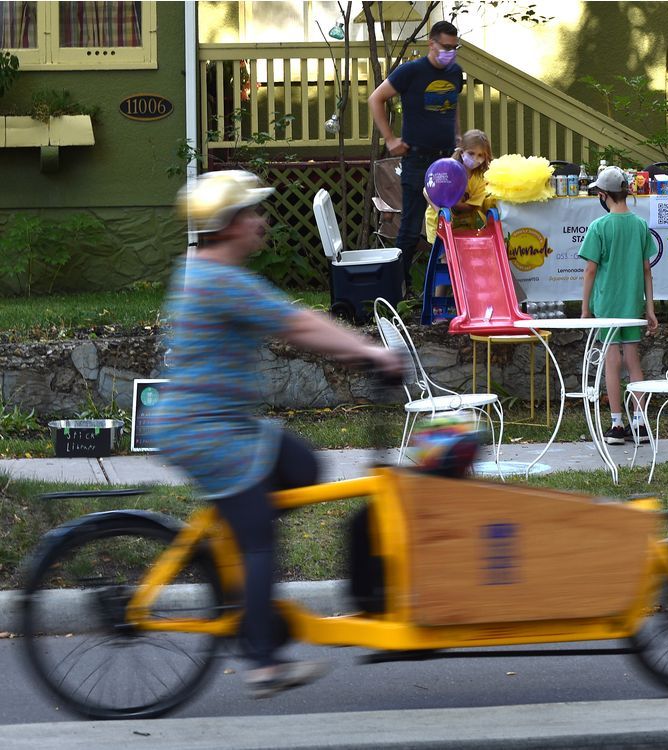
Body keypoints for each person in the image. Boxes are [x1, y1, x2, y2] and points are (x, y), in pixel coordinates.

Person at [154, 171, 401, 698]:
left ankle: (239, 559)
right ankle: (263, 660)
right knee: (259, 534)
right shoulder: (220, 280)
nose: (261, 223)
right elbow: (299, 325)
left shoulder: (204, 270)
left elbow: (298, 318)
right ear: (229, 224)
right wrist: (371, 352)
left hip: (224, 423)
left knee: (302, 467)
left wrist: (359, 348)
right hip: (205, 431)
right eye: (252, 214)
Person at [368, 20, 464, 287]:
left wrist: (458, 136)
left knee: (451, 223)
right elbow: (375, 98)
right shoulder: (410, 72)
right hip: (417, 160)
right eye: (445, 47)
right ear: (430, 43)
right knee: (410, 228)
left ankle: (450, 287)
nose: (449, 52)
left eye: (454, 48)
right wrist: (390, 139)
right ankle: (399, 287)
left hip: (447, 161)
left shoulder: (456, 73)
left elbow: (453, 105)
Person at [579, 166, 658, 444]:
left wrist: (585, 308)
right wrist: (650, 308)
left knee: (611, 362)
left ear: (603, 195)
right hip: (632, 302)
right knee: (633, 361)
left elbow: (590, 271)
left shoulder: (599, 227)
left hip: (607, 305)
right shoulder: (639, 225)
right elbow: (647, 270)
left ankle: (616, 424)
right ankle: (640, 422)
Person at [424, 128, 495, 243]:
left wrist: (454, 203)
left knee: (460, 257)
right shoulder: (446, 170)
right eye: (471, 153)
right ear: (462, 152)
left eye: (480, 155)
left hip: (464, 227)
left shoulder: (480, 180)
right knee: (443, 256)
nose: (475, 159)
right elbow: (427, 191)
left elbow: (472, 207)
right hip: (439, 224)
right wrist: (440, 211)